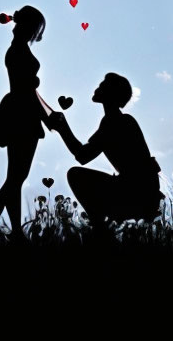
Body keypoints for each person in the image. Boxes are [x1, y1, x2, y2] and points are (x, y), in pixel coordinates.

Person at [47, 73, 164, 236]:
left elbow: (83, 156)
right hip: (141, 190)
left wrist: (63, 128)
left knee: (75, 175)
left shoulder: (114, 122)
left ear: (111, 94)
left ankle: (100, 230)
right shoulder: (116, 121)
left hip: (136, 193)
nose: (98, 88)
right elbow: (84, 153)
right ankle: (101, 229)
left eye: (103, 86)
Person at [0, 5, 53, 242]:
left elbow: (29, 88)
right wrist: (45, 116)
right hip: (23, 111)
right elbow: (28, 90)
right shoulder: (19, 52)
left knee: (15, 177)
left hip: (19, 109)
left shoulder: (16, 50)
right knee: (16, 177)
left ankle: (14, 231)